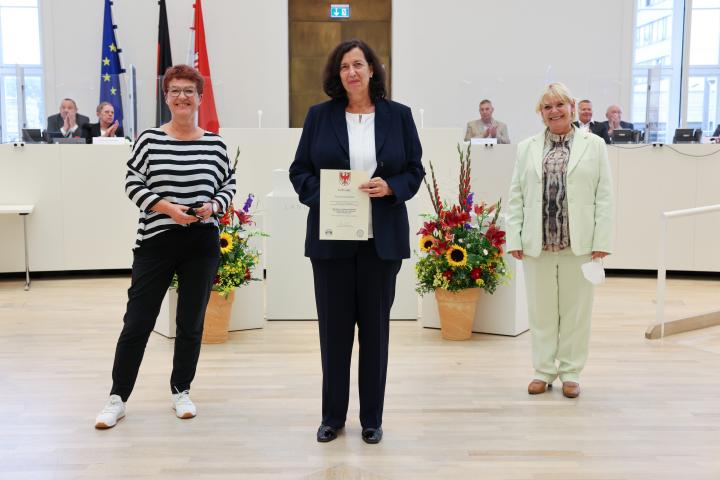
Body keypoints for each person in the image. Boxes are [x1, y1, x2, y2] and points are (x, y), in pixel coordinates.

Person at [289, 39, 424, 444]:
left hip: (381, 242)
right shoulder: (319, 116)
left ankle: (372, 419)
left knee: (375, 334)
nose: (352, 72)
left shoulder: (398, 116)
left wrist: (393, 187)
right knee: (334, 333)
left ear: (372, 71)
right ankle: (332, 417)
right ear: (338, 74)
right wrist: (327, 198)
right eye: (345, 66)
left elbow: (414, 170)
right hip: (332, 244)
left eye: (359, 65)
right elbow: (300, 172)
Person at [94, 64, 236, 429]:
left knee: (190, 322)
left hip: (201, 242)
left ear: (200, 98)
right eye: (175, 91)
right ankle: (117, 398)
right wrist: (167, 208)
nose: (182, 97)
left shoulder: (215, 143)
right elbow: (132, 182)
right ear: (166, 97)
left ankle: (181, 390)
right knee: (138, 322)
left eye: (189, 90)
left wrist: (213, 207)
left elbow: (228, 186)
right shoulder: (149, 140)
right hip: (156, 241)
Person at [506, 83, 613, 399]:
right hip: (537, 243)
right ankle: (542, 370)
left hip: (578, 244)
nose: (554, 111)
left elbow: (604, 196)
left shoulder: (594, 145)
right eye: (547, 107)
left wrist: (602, 239)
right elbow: (516, 196)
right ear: (541, 113)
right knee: (541, 311)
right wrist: (515, 235)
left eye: (559, 105)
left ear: (572, 107)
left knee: (576, 311)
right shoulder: (527, 147)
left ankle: (570, 372)